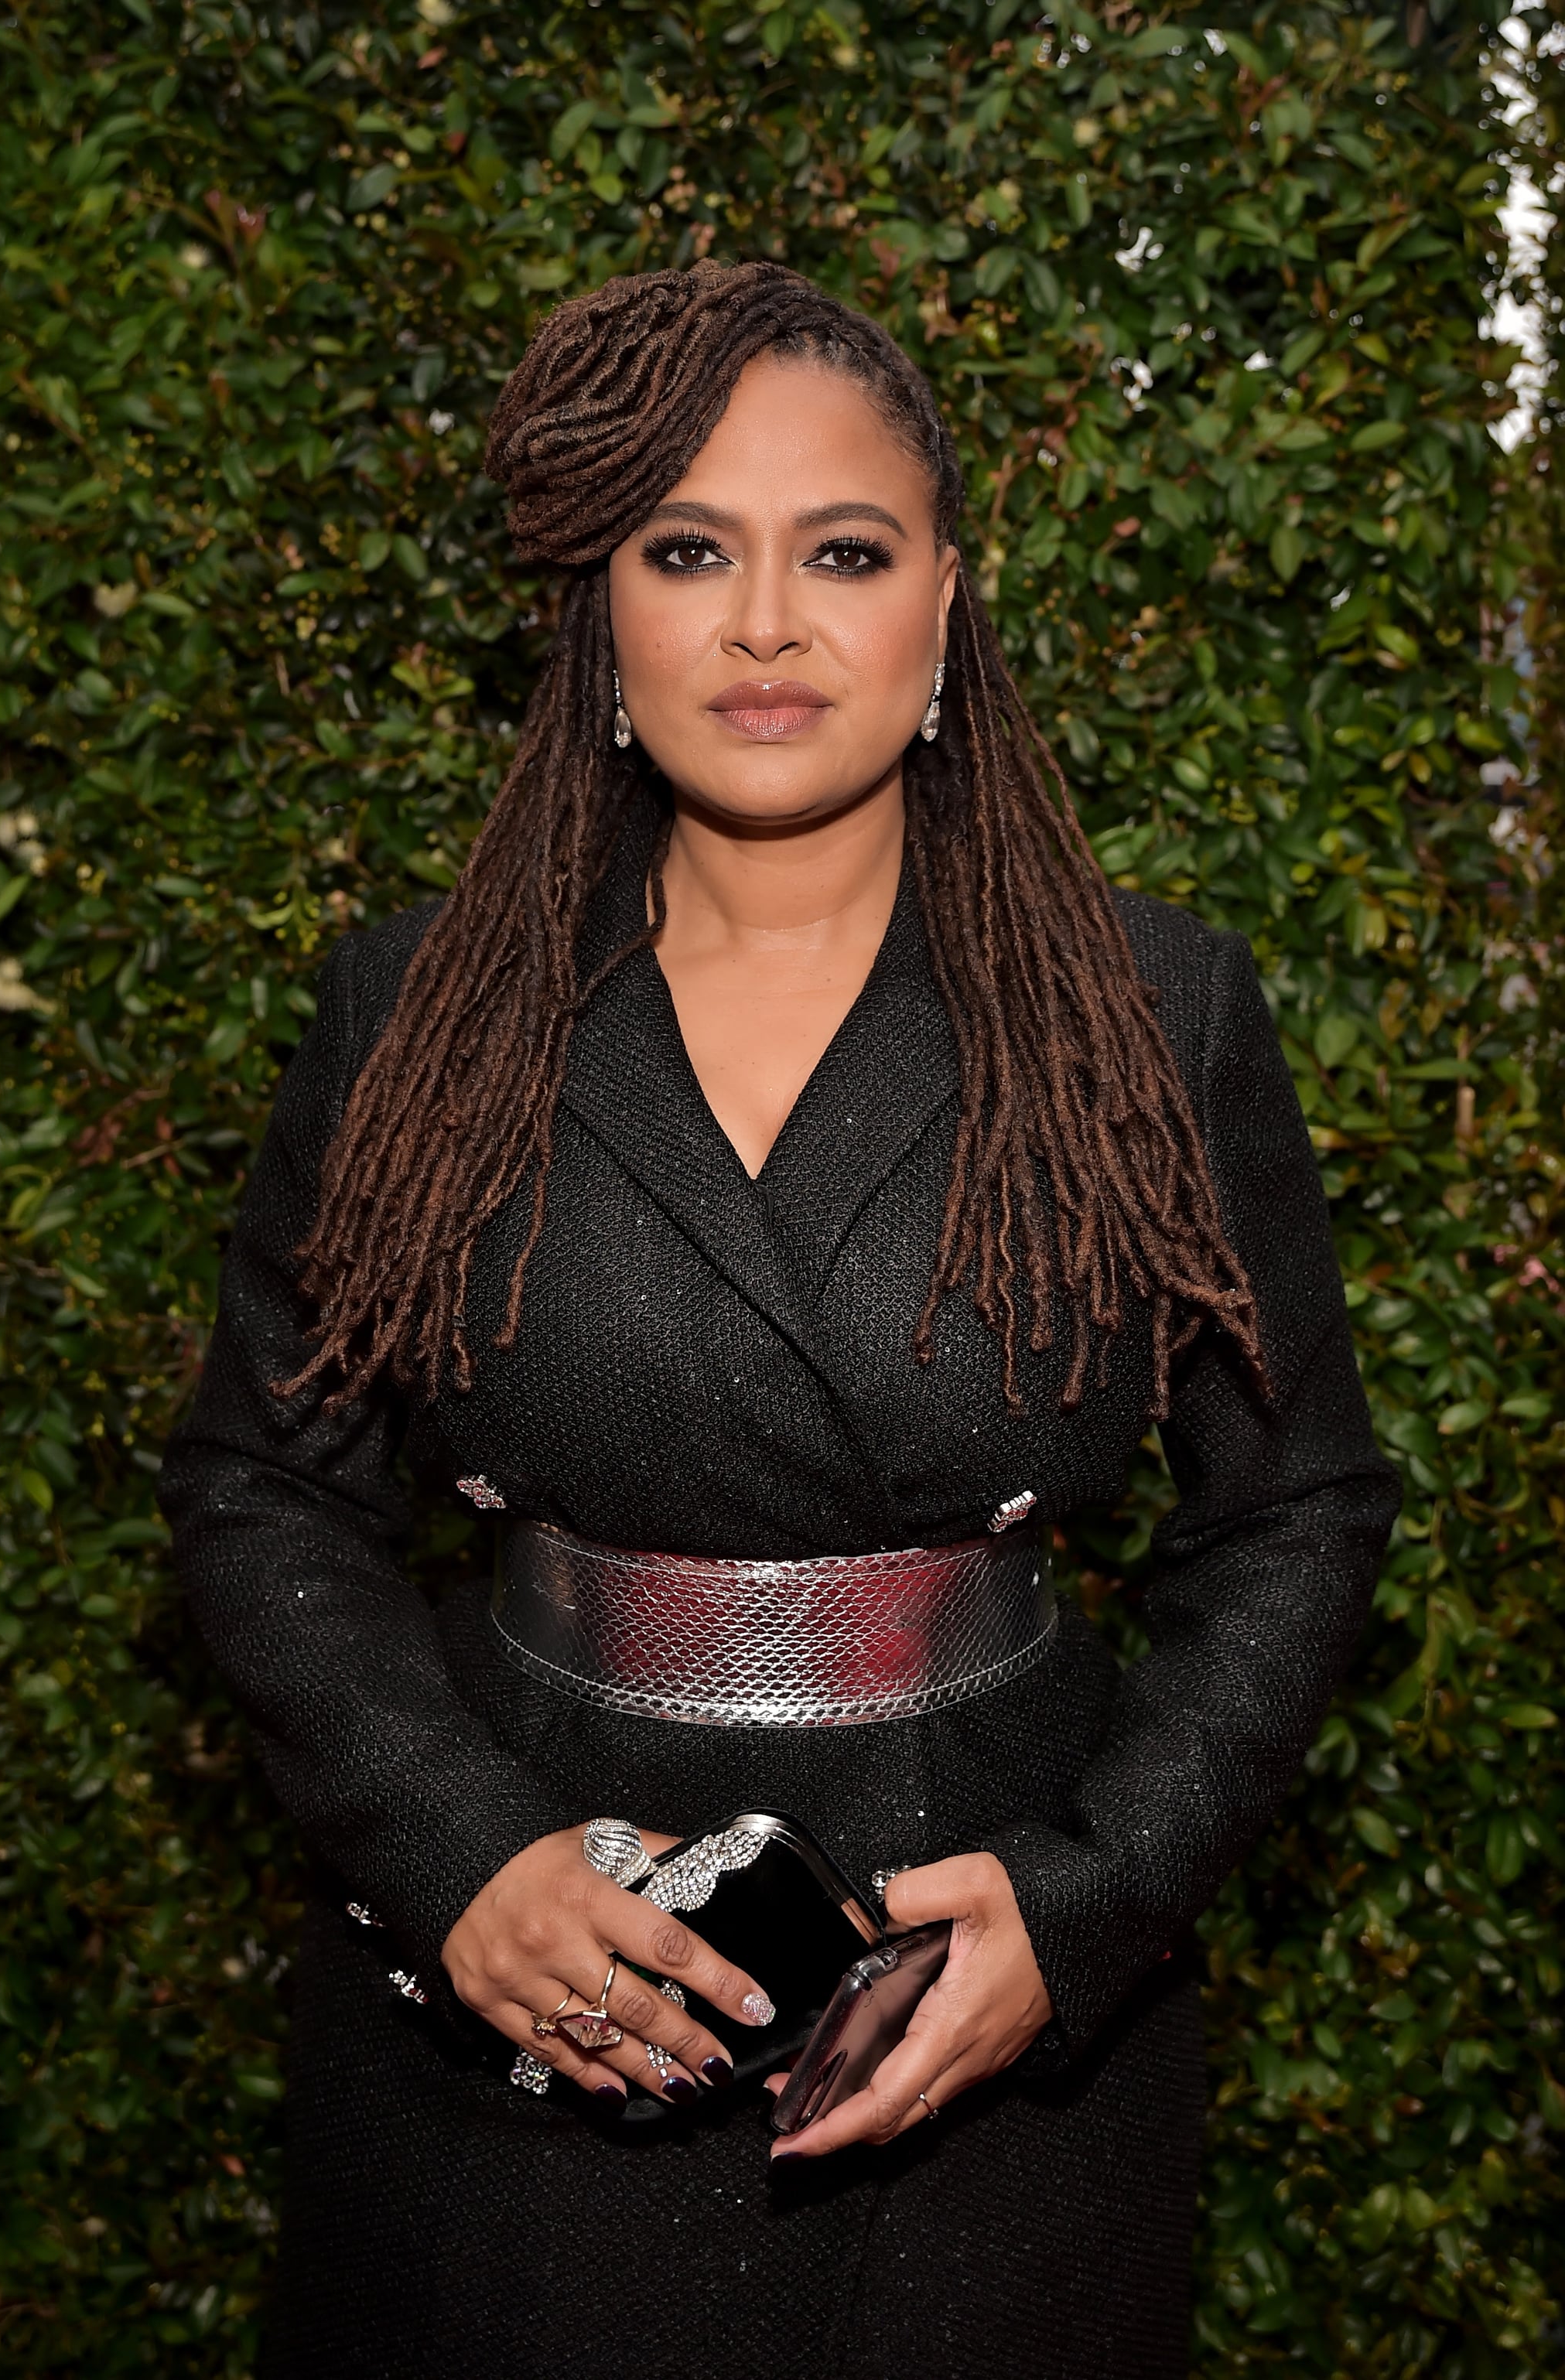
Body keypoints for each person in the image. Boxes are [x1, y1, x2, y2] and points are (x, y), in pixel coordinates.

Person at [159, 261, 1398, 2380]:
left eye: (842, 550)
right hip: (523, 2008)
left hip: (986, 2012)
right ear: (600, 621)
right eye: (684, 549)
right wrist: (459, 1860)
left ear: (943, 609)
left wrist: (1087, 1909)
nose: (762, 622)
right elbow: (260, 1490)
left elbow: (1304, 1515)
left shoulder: (1147, 1014)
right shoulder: (419, 1010)